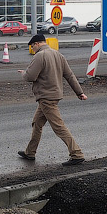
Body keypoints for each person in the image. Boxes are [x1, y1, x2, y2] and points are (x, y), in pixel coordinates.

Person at [17, 33, 88, 166]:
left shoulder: (40, 56)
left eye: (32, 46)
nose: (32, 49)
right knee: (37, 123)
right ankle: (30, 152)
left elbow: (30, 76)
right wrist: (79, 92)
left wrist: (23, 73)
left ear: (37, 43)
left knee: (58, 127)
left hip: (46, 97)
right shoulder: (58, 55)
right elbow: (70, 75)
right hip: (53, 96)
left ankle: (77, 154)